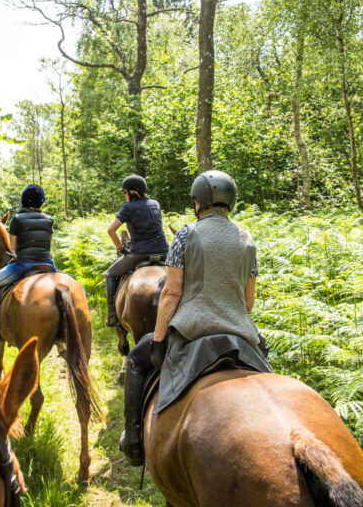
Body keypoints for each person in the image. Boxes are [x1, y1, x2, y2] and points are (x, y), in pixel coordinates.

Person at [119, 170, 272, 466]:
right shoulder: (247, 239)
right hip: (240, 333)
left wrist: (159, 339)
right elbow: (248, 302)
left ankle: (134, 441)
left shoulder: (186, 234)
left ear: (197, 201)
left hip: (191, 330)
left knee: (136, 359)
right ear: (231, 200)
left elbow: (171, 292)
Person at [0, 184, 56, 336]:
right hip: (47, 264)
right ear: (41, 201)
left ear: (24, 201)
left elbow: (13, 248)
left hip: (23, 265)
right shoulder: (49, 220)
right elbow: (49, 244)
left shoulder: (17, 219)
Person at [104, 174, 169, 327]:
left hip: (140, 254)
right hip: (163, 252)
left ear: (132, 192)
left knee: (110, 274)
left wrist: (120, 248)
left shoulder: (128, 208)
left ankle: (112, 315)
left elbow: (111, 230)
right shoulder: (155, 204)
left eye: (124, 192)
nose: (124, 195)